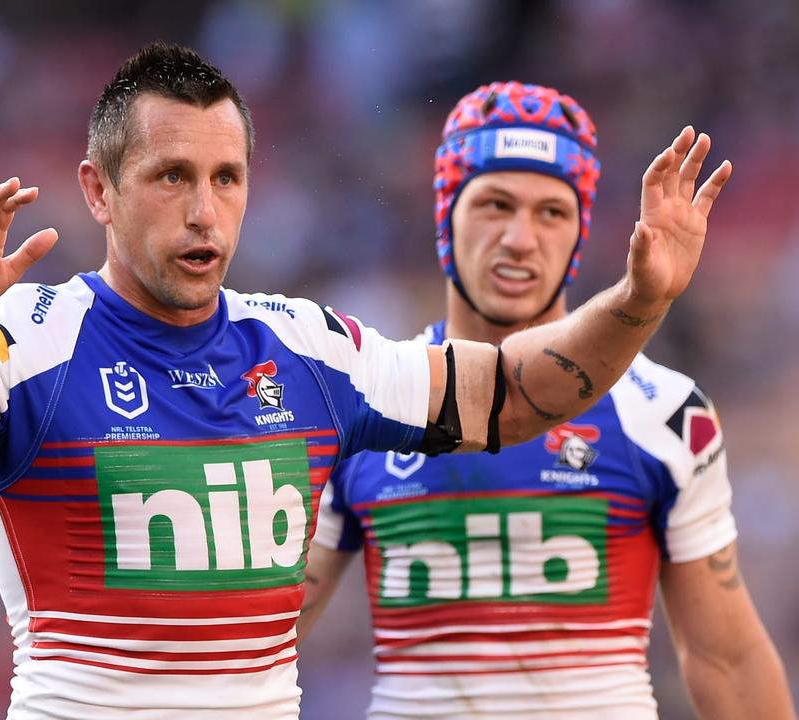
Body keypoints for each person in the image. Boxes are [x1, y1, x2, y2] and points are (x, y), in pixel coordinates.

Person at [0, 44, 731, 719]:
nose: (205, 210)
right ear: (98, 189)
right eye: (171, 176)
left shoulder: (307, 348)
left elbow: (515, 395)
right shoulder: (25, 340)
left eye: (228, 177)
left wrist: (641, 297)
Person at [299, 82, 793, 719]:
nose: (520, 239)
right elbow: (260, 634)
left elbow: (727, 659)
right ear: (445, 214)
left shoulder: (665, 411)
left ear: (581, 231)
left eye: (551, 212)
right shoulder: (367, 399)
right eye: (495, 205)